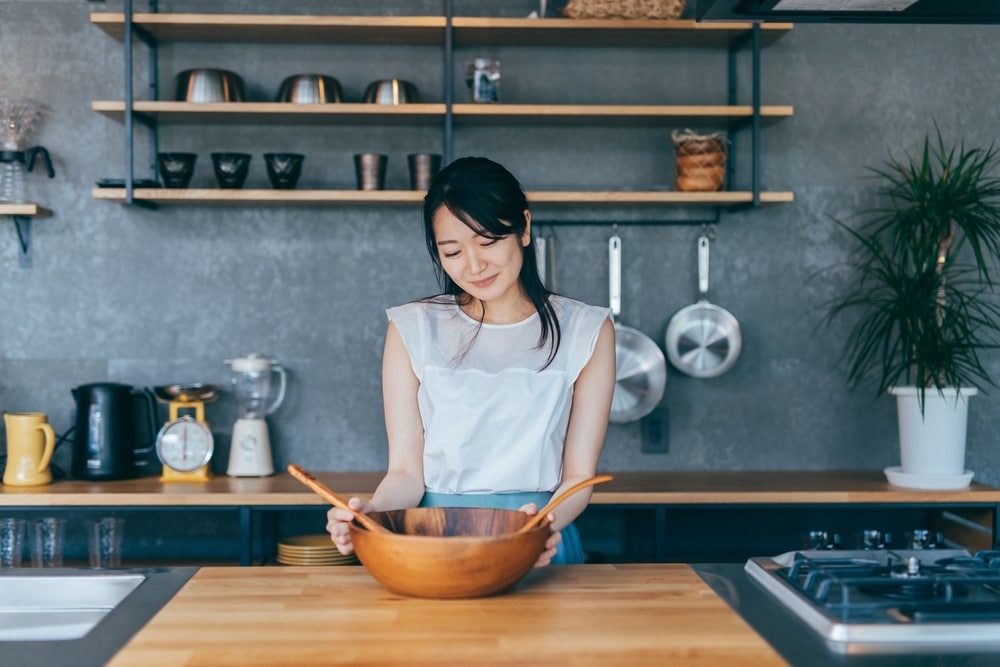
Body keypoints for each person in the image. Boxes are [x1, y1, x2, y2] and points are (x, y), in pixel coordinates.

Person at [326, 156, 616, 565]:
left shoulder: (587, 330)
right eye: (452, 251)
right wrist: (373, 515)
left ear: (525, 228)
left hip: (538, 538)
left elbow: (579, 479)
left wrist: (541, 528)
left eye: (487, 242)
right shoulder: (413, 327)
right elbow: (406, 473)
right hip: (434, 540)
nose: (474, 266)